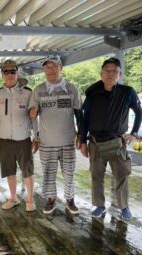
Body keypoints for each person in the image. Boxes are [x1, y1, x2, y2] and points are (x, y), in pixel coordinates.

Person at [80, 57, 142, 220]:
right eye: (107, 70)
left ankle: (124, 207)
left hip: (117, 142)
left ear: (120, 73)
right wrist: (82, 141)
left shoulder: (127, 92)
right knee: (96, 175)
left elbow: (139, 112)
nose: (111, 73)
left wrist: (134, 133)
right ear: (101, 74)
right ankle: (99, 205)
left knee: (122, 175)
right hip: (95, 142)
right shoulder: (93, 93)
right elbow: (84, 118)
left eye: (114, 70)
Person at [29, 55, 82, 215]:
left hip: (68, 141)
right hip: (46, 142)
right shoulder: (38, 90)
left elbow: (79, 113)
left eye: (54, 66)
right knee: (48, 174)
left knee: (69, 173)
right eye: (47, 66)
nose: (51, 70)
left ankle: (70, 199)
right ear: (43, 69)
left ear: (61, 67)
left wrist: (81, 135)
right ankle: (51, 199)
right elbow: (32, 115)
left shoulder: (72, 89)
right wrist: (35, 136)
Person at [0, 59, 37, 212]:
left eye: (12, 71)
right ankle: (13, 198)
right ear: (2, 74)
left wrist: (36, 137)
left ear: (17, 73)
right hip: (3, 140)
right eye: (6, 72)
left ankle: (30, 199)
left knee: (27, 170)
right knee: (9, 170)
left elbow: (34, 117)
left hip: (23, 139)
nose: (9, 74)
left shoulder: (28, 92)